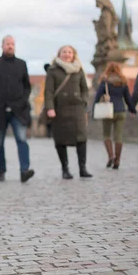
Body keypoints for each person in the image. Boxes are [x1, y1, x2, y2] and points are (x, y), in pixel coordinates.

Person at [0, 36, 35, 182]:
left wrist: (23, 100)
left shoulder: (21, 64)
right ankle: (1, 170)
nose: (10, 46)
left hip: (18, 109)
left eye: (12, 44)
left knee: (22, 140)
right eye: (8, 44)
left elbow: (27, 86)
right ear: (2, 46)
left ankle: (24, 170)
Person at [44, 45, 92, 179]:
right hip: (60, 109)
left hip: (77, 108)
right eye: (64, 52)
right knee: (61, 140)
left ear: (74, 55)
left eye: (70, 52)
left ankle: (83, 168)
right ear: (59, 54)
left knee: (81, 138)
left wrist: (84, 101)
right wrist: (50, 108)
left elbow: (85, 89)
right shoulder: (53, 71)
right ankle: (65, 169)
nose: (67, 54)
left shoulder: (79, 69)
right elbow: (49, 91)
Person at [93, 62, 136, 169]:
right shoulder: (123, 82)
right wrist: (132, 109)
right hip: (120, 111)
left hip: (107, 111)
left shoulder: (105, 82)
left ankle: (111, 156)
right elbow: (128, 99)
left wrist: (93, 110)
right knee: (119, 136)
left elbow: (97, 97)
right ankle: (117, 160)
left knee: (106, 135)